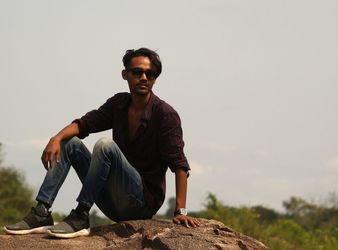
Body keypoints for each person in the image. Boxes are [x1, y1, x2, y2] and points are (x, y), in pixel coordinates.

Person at [4, 48, 200, 238]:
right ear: (125, 74)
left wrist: (180, 211)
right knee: (69, 142)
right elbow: (85, 124)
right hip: (112, 202)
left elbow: (179, 165)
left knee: (105, 145)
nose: (144, 78)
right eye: (137, 72)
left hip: (141, 203)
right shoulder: (119, 104)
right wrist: (56, 138)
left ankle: (80, 215)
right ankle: (41, 211)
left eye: (150, 73)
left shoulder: (165, 115)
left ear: (155, 78)